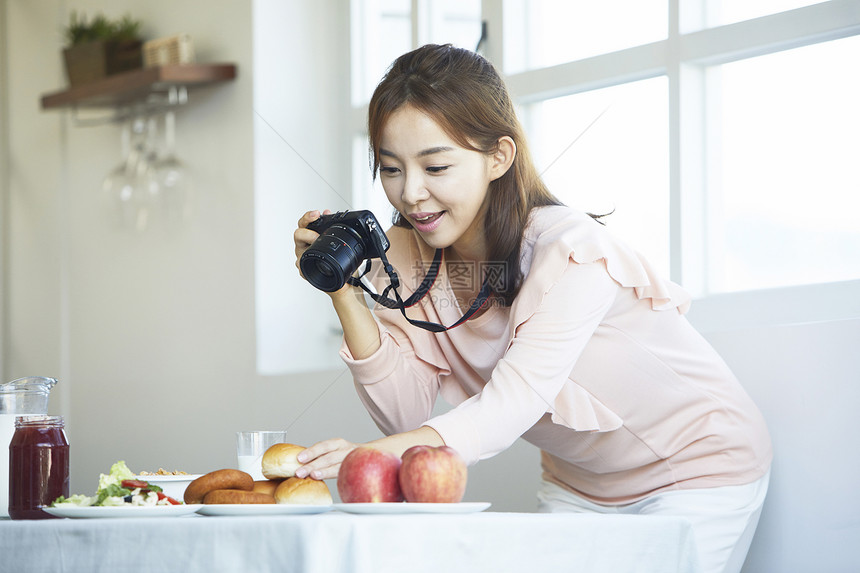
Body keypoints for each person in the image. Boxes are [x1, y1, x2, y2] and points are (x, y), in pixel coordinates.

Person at [292, 44, 772, 573]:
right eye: (390, 169)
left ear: (498, 156)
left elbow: (506, 408)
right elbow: (403, 416)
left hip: (698, 470)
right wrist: (341, 287)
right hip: (579, 487)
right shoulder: (404, 257)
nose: (411, 194)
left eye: (436, 166)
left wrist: (369, 457)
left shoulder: (569, 252)